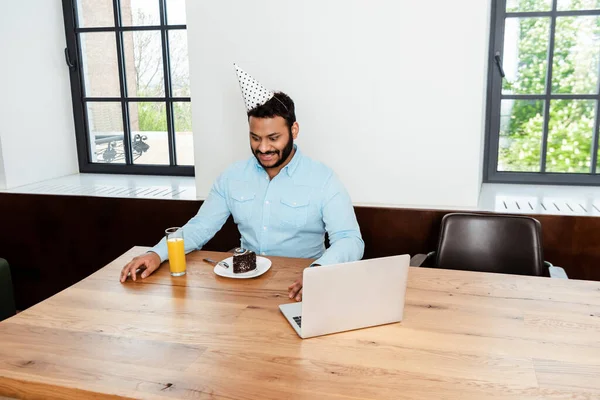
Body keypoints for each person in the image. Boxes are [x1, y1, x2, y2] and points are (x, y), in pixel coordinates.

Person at [120, 64, 364, 301]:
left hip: (302, 287)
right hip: (243, 287)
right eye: (255, 138)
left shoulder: (323, 179)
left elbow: (350, 239)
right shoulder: (232, 177)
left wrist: (319, 270)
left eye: (274, 138)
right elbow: (201, 227)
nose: (264, 147)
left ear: (294, 130)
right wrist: (156, 253)